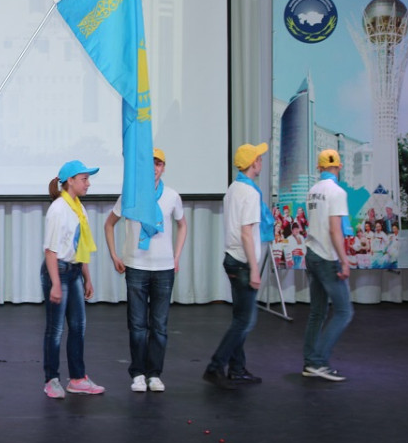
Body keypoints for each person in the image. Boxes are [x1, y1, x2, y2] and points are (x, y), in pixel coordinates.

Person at [103, 147, 187, 394]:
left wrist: (177, 256)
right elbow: (109, 224)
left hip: (164, 269)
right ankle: (138, 373)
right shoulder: (130, 195)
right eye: (150, 163)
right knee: (138, 325)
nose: (154, 168)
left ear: (163, 168)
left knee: (159, 326)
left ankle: (155, 374)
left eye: (158, 164)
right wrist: (114, 254)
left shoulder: (171, 196)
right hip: (137, 267)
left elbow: (182, 225)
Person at [204, 142, 274, 389]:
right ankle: (216, 366)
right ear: (253, 163)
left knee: (240, 318)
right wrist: (255, 268)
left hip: (232, 259)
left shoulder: (233, 189)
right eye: (259, 158)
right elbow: (246, 232)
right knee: (245, 321)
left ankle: (237, 368)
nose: (261, 162)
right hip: (243, 262)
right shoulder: (250, 193)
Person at [41, 160, 106, 400]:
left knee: (78, 326)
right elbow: (50, 250)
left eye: (88, 179)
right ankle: (51, 380)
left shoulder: (79, 208)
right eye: (84, 179)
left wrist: (87, 277)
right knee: (56, 329)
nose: (88, 184)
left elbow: (81, 246)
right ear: (70, 181)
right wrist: (56, 284)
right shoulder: (58, 209)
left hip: (75, 270)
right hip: (58, 271)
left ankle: (78, 378)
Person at [302, 149, 354, 382]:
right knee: (344, 312)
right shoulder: (338, 192)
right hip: (327, 257)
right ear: (339, 167)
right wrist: (344, 260)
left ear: (319, 167)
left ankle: (310, 362)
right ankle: (318, 362)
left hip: (312, 253)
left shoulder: (312, 191)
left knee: (317, 312)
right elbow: (335, 230)